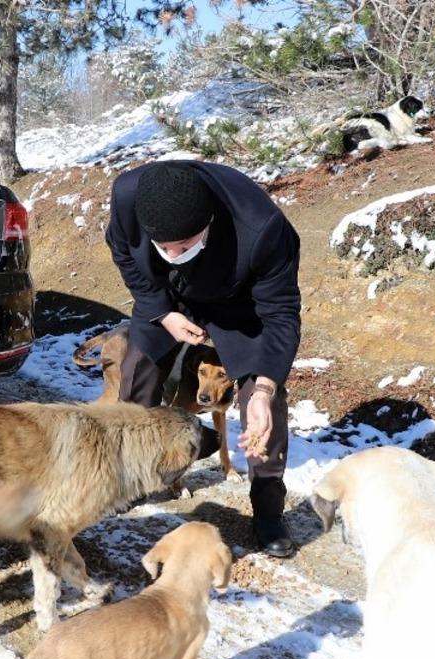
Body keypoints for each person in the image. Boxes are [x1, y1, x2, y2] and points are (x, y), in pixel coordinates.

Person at [105, 160, 302, 558]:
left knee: (265, 406)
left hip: (238, 305)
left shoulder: (263, 229)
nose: (176, 253)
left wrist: (263, 387)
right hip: (166, 296)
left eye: (186, 244)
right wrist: (162, 312)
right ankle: (125, 480)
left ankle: (267, 510)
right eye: (166, 247)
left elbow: (280, 315)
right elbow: (126, 255)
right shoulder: (128, 198)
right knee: (137, 373)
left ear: (209, 220)